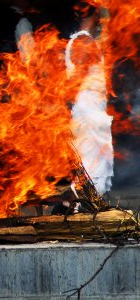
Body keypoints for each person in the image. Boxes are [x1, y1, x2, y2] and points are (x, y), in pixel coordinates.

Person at [66, 2, 114, 195]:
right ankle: (83, 208)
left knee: (94, 166)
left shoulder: (86, 40)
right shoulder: (83, 41)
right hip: (87, 111)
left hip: (90, 110)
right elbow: (77, 79)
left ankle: (87, 206)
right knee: (91, 166)